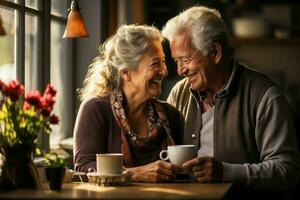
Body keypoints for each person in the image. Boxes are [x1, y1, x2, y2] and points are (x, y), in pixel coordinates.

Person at [162, 6, 300, 196]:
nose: (180, 71)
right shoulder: (179, 93)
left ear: (216, 52)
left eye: (185, 59)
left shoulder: (264, 95)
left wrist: (227, 172)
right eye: (176, 61)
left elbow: (287, 171)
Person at [73, 24, 183, 183]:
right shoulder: (96, 109)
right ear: (126, 73)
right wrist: (136, 174)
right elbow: (84, 169)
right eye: (155, 63)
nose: (164, 71)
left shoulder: (170, 114)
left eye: (163, 62)